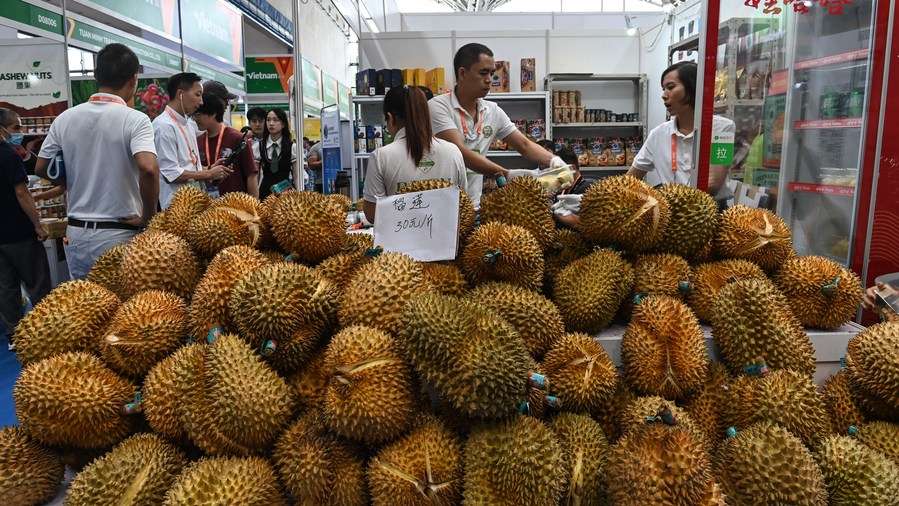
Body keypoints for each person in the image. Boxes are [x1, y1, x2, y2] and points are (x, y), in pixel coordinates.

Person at [35, 43, 159, 280]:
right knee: (123, 312)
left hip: (77, 233)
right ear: (134, 79)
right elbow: (148, 168)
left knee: (85, 311)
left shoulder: (65, 118)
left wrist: (72, 178)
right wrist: (148, 217)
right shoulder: (135, 120)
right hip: (119, 233)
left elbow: (42, 166)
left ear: (96, 76)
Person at [429, 43, 562, 208]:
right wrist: (507, 174)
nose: (489, 80)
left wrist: (556, 162)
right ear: (462, 73)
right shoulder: (438, 107)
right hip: (441, 206)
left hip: (473, 206)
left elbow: (524, 144)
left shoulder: (492, 111)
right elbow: (460, 153)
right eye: (483, 73)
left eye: (492, 73)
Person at [627, 62, 735, 196]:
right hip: (671, 211)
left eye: (670, 87)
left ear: (692, 87)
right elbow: (630, 178)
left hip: (713, 210)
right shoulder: (658, 134)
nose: (664, 95)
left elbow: (713, 184)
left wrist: (663, 196)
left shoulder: (723, 128)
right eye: (663, 89)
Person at [363, 86, 467, 223]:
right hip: (447, 242)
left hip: (399, 242)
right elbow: (463, 205)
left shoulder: (381, 157)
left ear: (390, 118)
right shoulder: (453, 152)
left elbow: (372, 214)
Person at [0, 108, 51, 346]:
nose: (20, 133)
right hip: (18, 232)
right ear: (2, 129)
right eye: (16, 128)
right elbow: (22, 193)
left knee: (5, 286)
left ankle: (14, 336)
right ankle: (46, 331)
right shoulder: (8, 155)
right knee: (37, 282)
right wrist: (37, 225)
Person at [153, 72, 230, 208]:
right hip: (177, 208)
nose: (201, 102)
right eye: (197, 94)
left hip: (196, 202)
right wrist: (208, 173)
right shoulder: (163, 126)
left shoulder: (188, 123)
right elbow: (171, 173)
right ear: (180, 94)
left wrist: (209, 168)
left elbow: (187, 165)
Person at [194, 93, 259, 198]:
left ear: (213, 113)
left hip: (236, 206)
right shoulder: (197, 141)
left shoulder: (238, 138)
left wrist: (254, 208)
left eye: (198, 115)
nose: (194, 119)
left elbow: (251, 175)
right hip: (206, 208)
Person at [254, 109, 301, 199]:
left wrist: (299, 195)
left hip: (286, 193)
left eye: (275, 120)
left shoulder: (292, 147)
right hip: (264, 193)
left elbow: (296, 175)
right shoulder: (258, 147)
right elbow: (256, 176)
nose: (271, 123)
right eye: (268, 120)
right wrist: (254, 197)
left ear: (283, 124)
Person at [551, 147, 591, 230]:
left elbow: (591, 226)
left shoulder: (588, 189)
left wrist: (565, 216)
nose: (555, 175)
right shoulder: (562, 189)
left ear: (571, 168)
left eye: (557, 171)